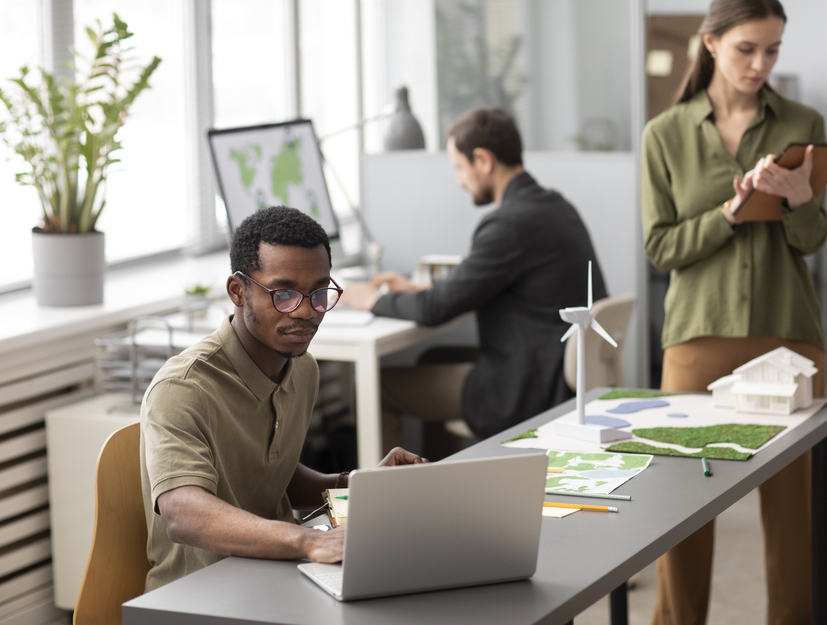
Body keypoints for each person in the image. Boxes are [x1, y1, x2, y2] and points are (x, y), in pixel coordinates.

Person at [640, 1, 827, 624]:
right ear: (712, 43)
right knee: (683, 505)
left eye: (772, 50)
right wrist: (729, 211)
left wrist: (800, 199)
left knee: (793, 515)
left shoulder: (803, 122)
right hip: (698, 336)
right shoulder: (664, 134)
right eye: (748, 48)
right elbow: (660, 247)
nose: (761, 63)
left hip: (788, 335)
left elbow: (812, 239)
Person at [140, 206, 426, 592]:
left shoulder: (302, 369)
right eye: (285, 294)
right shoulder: (183, 388)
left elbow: (272, 475)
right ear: (238, 292)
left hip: (278, 574)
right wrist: (310, 541)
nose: (307, 311)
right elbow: (183, 514)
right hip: (202, 593)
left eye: (320, 292)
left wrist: (358, 485)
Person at [342, 107, 607, 446]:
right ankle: (440, 481)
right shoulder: (554, 206)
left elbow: (434, 309)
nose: (459, 180)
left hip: (529, 390)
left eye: (459, 167)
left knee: (375, 386)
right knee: (432, 358)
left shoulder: (508, 225)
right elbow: (480, 283)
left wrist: (371, 299)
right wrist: (418, 287)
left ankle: (393, 497)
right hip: (555, 373)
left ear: (482, 160)